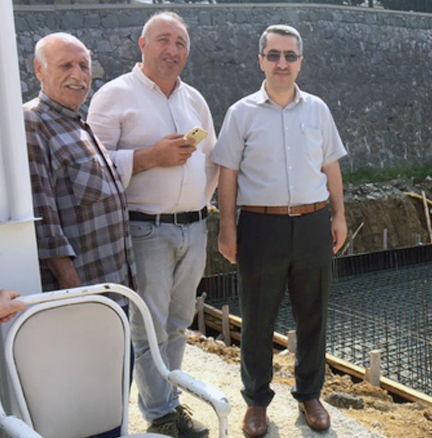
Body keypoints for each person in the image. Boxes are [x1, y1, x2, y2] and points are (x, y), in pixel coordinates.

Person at [212, 24, 348, 437]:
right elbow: (227, 174)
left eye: (290, 55)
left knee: (314, 315)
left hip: (312, 223)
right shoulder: (241, 113)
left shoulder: (318, 110)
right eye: (274, 55)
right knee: (257, 317)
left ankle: (310, 394)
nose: (282, 63)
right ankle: (256, 402)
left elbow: (331, 166)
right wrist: (227, 227)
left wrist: (339, 215)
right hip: (260, 226)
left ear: (301, 62)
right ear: (261, 61)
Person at [87, 12, 217, 438]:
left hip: (193, 229)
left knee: (178, 323)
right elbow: (91, 166)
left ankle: (169, 402)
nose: (173, 50)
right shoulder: (113, 95)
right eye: (164, 40)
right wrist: (148, 158)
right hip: (145, 230)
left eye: (181, 43)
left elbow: (211, 160)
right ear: (142, 45)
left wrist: (199, 205)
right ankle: (161, 415)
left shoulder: (194, 99)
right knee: (149, 327)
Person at [24, 32, 135, 297]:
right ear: (39, 70)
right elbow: (42, 217)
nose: (78, 75)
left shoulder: (79, 125)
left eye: (84, 66)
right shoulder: (33, 122)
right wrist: (73, 290)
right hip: (81, 294)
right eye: (66, 66)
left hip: (112, 286)